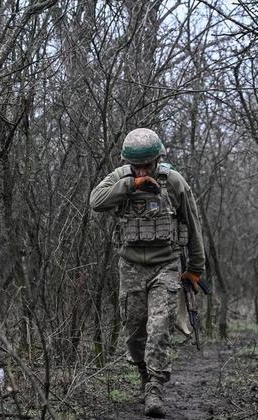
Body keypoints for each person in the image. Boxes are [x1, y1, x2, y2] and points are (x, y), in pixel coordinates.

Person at [89, 128, 206, 417]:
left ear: (158, 159)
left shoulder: (174, 182)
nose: (143, 170)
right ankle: (144, 377)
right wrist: (131, 184)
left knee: (159, 325)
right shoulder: (120, 178)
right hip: (130, 267)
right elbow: (96, 201)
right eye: (136, 165)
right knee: (135, 329)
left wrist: (194, 269)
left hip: (165, 264)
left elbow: (193, 226)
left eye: (147, 165)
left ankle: (154, 387)